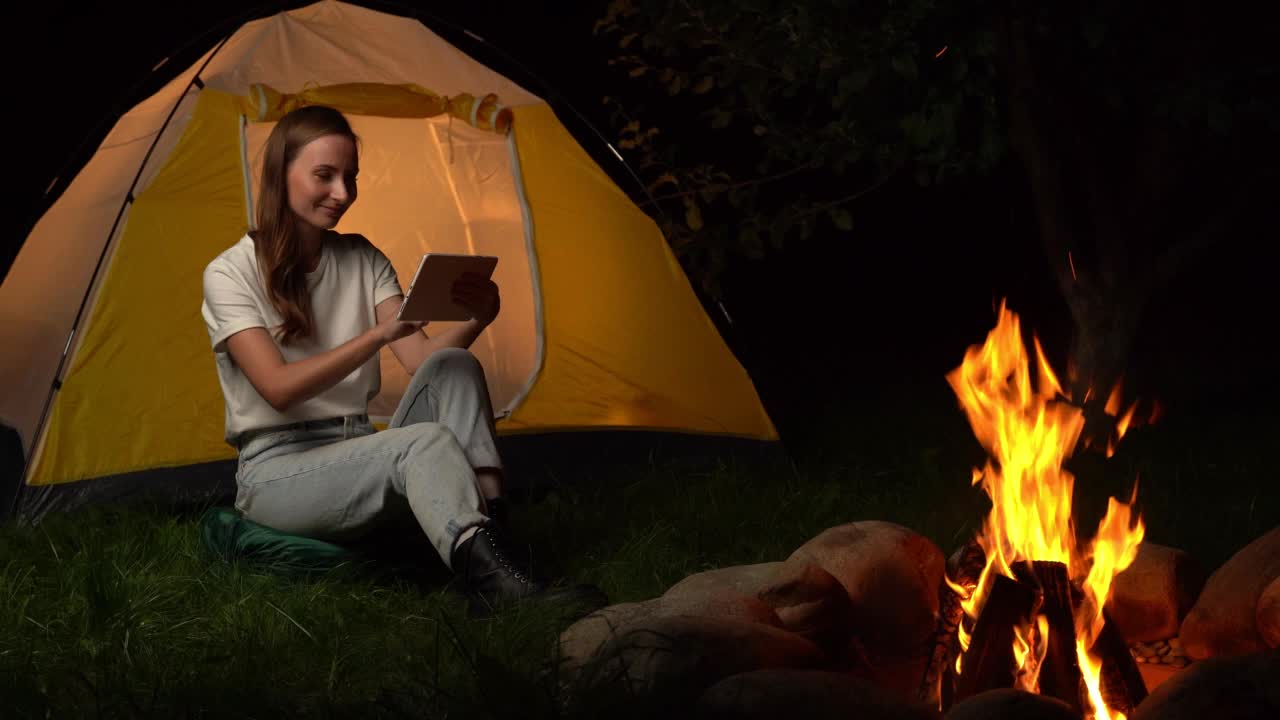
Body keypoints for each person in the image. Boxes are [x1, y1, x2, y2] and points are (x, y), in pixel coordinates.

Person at [201, 105, 600, 614]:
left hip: (356, 448)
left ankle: (497, 544)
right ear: (280, 174)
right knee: (421, 443)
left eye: (350, 178)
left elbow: (421, 358)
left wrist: (480, 318)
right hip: (278, 471)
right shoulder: (229, 273)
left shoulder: (363, 257)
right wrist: (375, 335)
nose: (342, 194)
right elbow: (277, 388)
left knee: (453, 366)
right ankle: (494, 583)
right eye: (324, 175)